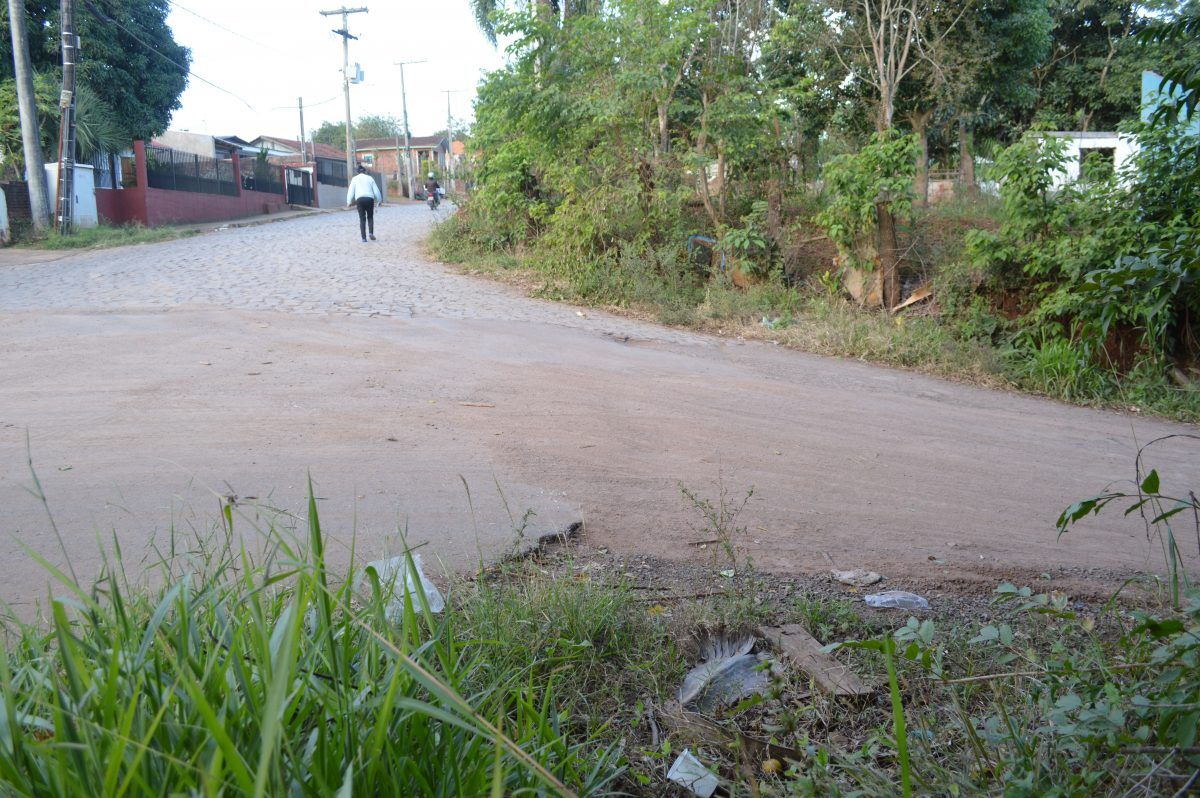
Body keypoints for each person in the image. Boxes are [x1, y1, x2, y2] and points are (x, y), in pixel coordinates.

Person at [346, 165, 382, 242]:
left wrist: (349, 202)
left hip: (359, 199)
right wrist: (379, 199)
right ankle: (371, 233)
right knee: (370, 216)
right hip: (369, 199)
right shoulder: (370, 178)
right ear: (365, 171)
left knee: (362, 219)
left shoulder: (354, 179)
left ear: (357, 172)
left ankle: (363, 238)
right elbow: (376, 190)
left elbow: (351, 191)